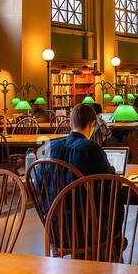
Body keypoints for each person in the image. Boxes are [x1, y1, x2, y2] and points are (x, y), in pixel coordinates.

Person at [44, 103, 125, 258]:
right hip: (83, 229)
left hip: (54, 227)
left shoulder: (51, 146)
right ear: (93, 124)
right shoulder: (90, 148)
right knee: (115, 199)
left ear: (70, 123)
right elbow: (111, 181)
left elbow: (41, 181)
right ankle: (115, 245)